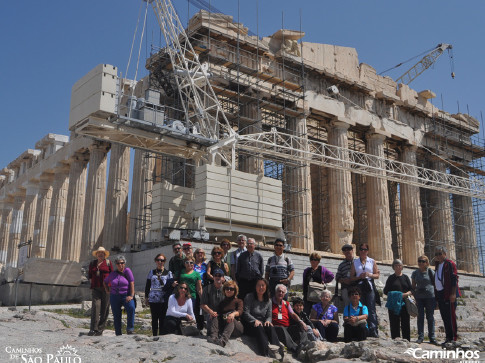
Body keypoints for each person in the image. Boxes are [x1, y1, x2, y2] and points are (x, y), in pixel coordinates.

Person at [242, 278, 282, 358]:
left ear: (266, 287)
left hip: (263, 324)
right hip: (251, 324)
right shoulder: (249, 296)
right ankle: (265, 354)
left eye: (263, 285)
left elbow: (269, 316)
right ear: (255, 287)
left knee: (270, 326)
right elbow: (245, 313)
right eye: (258, 285)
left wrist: (268, 321)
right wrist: (254, 320)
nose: (260, 287)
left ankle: (279, 353)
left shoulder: (269, 301)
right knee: (259, 327)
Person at [350, 243, 380, 338]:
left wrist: (369, 275)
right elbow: (351, 277)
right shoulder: (355, 262)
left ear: (368, 251)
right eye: (361, 249)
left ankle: (373, 330)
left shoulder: (372, 261)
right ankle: (363, 330)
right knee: (361, 308)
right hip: (359, 287)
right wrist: (359, 277)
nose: (363, 251)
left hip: (369, 286)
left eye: (365, 249)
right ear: (359, 251)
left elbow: (377, 275)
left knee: (371, 308)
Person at [434, 246, 461, 345]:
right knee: (444, 316)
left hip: (449, 293)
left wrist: (453, 294)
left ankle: (453, 338)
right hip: (441, 294)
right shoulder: (437, 265)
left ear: (445, 254)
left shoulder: (449, 264)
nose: (438, 256)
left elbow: (454, 278)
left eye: (440, 253)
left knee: (451, 316)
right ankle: (448, 337)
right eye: (436, 254)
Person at [272, 284, 308, 355]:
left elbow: (293, 314)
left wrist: (301, 322)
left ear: (285, 294)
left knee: (301, 327)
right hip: (276, 328)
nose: (280, 293)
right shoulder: (270, 302)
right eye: (279, 291)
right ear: (275, 292)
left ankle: (303, 345)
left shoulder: (286, 303)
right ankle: (294, 348)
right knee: (281, 328)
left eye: (283, 292)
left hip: (287, 328)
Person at [103, 256, 135, 336]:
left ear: (124, 263)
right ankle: (118, 333)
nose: (120, 265)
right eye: (118, 263)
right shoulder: (113, 274)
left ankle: (130, 329)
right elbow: (105, 282)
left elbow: (132, 283)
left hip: (125, 295)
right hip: (114, 296)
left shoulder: (127, 271)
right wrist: (107, 290)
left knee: (131, 307)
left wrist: (131, 295)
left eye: (122, 263)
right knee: (116, 314)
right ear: (116, 264)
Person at [207, 280, 244, 347]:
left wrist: (233, 314)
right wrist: (213, 313)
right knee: (215, 316)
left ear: (235, 291)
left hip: (236, 327)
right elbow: (218, 314)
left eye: (231, 289)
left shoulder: (239, 301)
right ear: (224, 290)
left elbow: (240, 311)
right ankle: (214, 337)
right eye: (227, 288)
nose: (229, 290)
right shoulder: (222, 303)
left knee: (230, 318)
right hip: (225, 327)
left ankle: (223, 341)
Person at [145, 253, 174, 336]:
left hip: (163, 298)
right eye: (158, 260)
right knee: (154, 318)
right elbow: (148, 285)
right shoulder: (151, 272)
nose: (160, 262)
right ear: (155, 261)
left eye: (162, 260)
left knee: (162, 318)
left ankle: (161, 335)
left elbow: (171, 285)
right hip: (153, 298)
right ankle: (154, 334)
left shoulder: (168, 273)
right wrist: (146, 297)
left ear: (164, 262)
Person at [383, 259, 412, 341]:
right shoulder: (391, 278)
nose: (398, 267)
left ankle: (407, 339)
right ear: (393, 267)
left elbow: (411, 289)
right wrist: (396, 294)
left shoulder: (405, 277)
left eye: (399, 265)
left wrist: (406, 294)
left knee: (405, 322)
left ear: (402, 267)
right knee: (394, 322)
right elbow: (385, 291)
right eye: (396, 265)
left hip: (404, 302)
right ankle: (395, 339)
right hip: (394, 303)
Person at [411, 255, 437, 344]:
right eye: (419, 261)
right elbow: (413, 286)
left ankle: (432, 337)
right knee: (420, 317)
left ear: (427, 263)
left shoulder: (430, 272)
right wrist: (414, 295)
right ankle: (420, 337)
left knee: (430, 317)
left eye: (422, 261)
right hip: (419, 297)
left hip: (430, 297)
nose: (420, 263)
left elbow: (435, 284)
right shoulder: (415, 273)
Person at [87, 247, 112, 336]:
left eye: (102, 253)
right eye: (99, 253)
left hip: (106, 289)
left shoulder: (108, 263)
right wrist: (93, 283)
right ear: (96, 254)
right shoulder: (92, 263)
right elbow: (90, 275)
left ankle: (100, 329)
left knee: (105, 308)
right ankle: (93, 328)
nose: (100, 254)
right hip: (96, 288)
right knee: (95, 307)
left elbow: (112, 275)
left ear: (105, 255)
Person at [179, 256, 203, 330]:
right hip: (181, 295)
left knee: (191, 312)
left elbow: (199, 288)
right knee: (182, 312)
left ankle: (192, 329)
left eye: (191, 262)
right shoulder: (181, 271)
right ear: (184, 263)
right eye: (187, 262)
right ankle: (182, 329)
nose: (189, 264)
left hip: (192, 296)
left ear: (194, 264)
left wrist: (202, 298)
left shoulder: (196, 274)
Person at [200, 268, 226, 336]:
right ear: (213, 277)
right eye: (216, 275)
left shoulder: (226, 289)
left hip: (222, 314)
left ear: (223, 278)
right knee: (212, 319)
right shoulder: (207, 289)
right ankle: (213, 335)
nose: (217, 277)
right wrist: (211, 312)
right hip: (209, 314)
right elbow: (203, 304)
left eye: (219, 275)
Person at [335, 243, 355, 309]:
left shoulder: (358, 262)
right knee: (347, 306)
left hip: (356, 287)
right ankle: (348, 318)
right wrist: (344, 280)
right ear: (343, 253)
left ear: (352, 250)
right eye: (345, 250)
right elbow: (337, 277)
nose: (347, 251)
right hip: (346, 288)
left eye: (348, 250)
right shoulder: (341, 265)